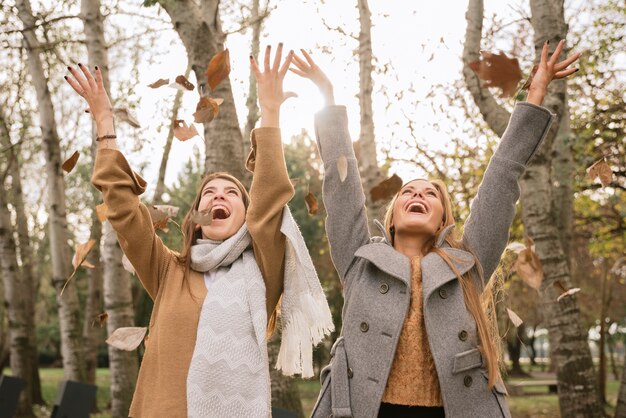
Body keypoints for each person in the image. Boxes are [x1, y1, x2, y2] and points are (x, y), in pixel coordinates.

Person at [291, 40, 580, 418]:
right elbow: (341, 184)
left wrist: (536, 92)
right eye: (409, 191)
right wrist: (327, 98)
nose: (419, 194)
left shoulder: (467, 265)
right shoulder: (360, 261)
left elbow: (503, 176)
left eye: (431, 194)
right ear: (392, 217)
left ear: (442, 219)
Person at [65, 44, 333, 418]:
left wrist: (270, 113)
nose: (218, 196)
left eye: (231, 194)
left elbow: (270, 200)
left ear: (246, 215)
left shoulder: (263, 271)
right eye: (209, 193)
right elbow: (125, 213)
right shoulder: (169, 271)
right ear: (196, 216)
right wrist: (105, 126)